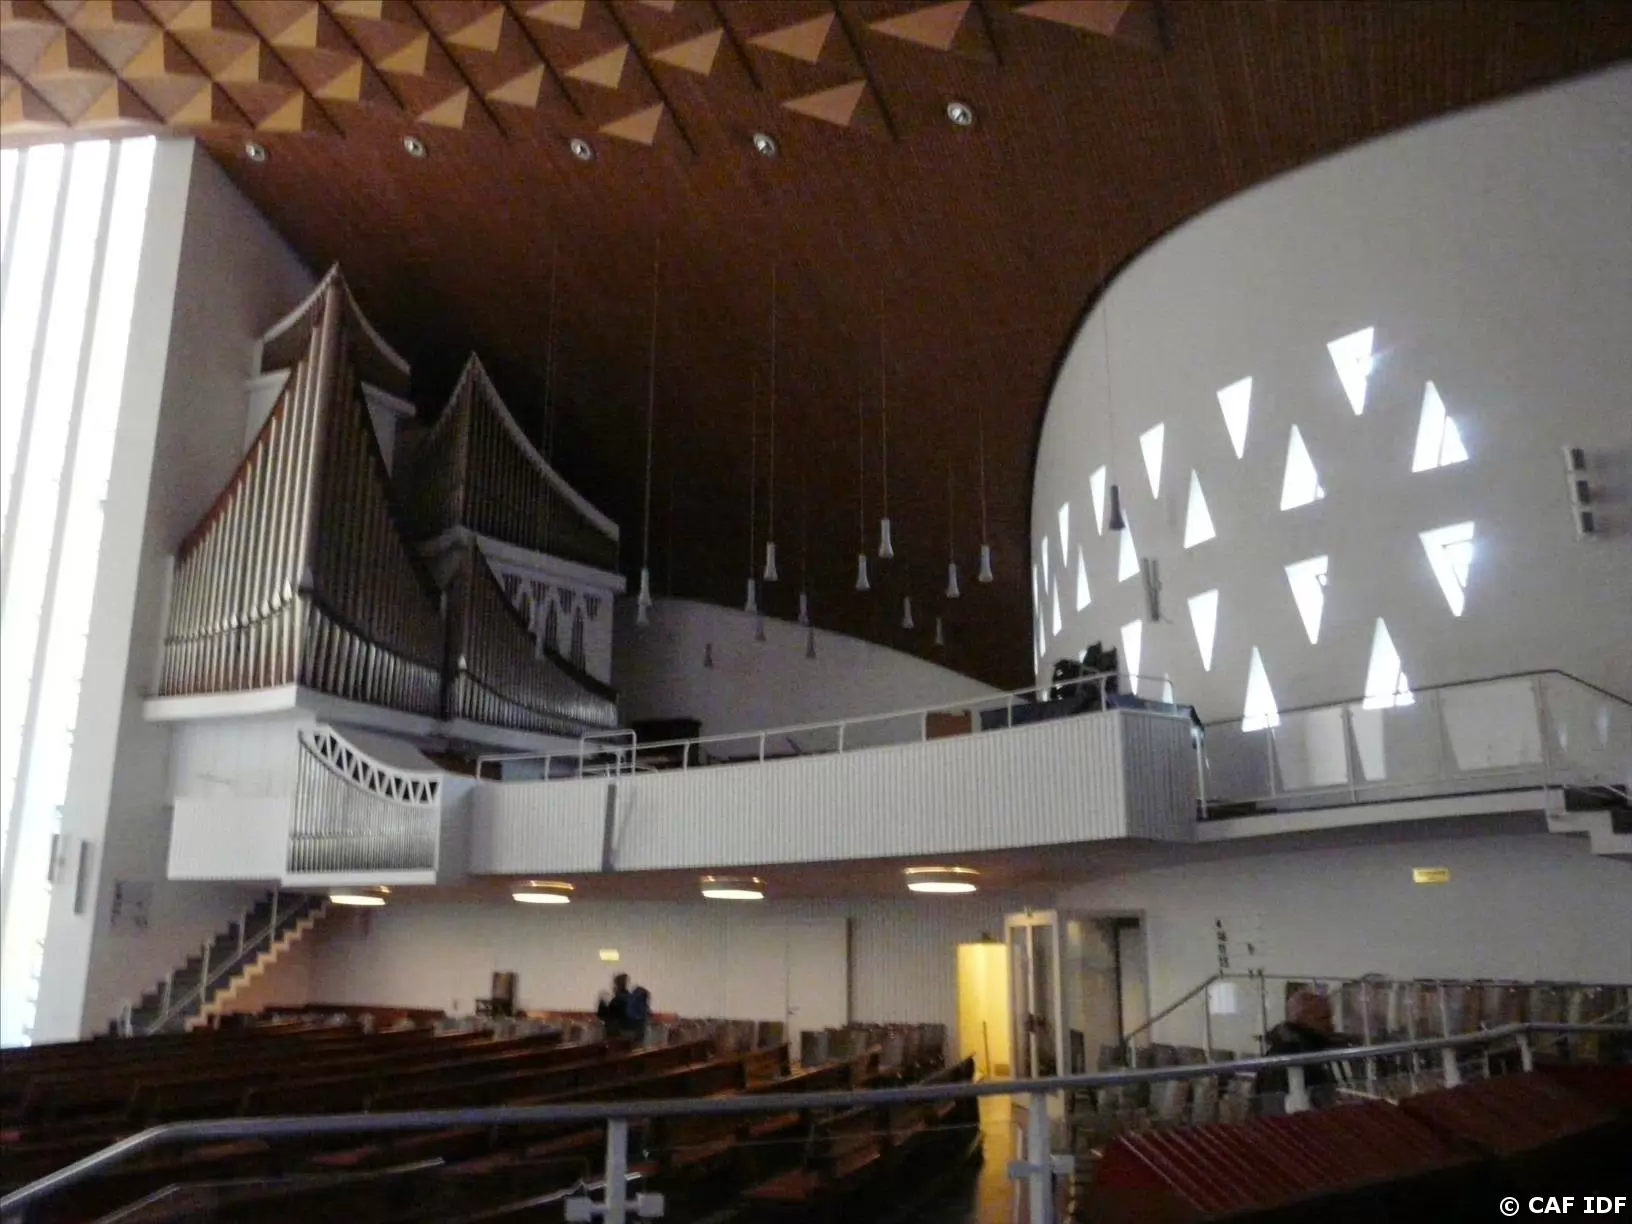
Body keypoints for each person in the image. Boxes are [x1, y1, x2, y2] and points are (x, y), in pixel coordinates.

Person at [1253, 989, 1347, 1111]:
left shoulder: (1312, 1050)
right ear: (1303, 1018)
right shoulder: (1290, 1056)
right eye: (1324, 1018)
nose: (1331, 1025)